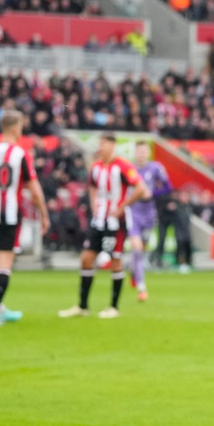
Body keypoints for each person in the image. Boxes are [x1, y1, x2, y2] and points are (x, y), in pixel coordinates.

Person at [58, 134, 150, 319]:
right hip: (98, 220)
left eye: (104, 143)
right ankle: (82, 306)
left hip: (116, 222)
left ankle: (113, 307)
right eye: (99, 143)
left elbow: (140, 188)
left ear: (113, 145)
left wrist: (122, 206)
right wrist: (94, 204)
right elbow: (92, 186)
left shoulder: (123, 165)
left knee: (115, 261)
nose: (101, 147)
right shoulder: (97, 166)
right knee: (86, 258)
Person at [0, 111, 50, 326]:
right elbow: (34, 189)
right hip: (9, 213)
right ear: (14, 128)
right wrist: (43, 214)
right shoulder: (20, 154)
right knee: (5, 262)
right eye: (20, 127)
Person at [129, 141, 170, 300]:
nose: (141, 154)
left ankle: (134, 271)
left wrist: (152, 193)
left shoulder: (155, 168)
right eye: (138, 151)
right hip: (133, 211)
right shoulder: (129, 169)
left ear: (148, 153)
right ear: (135, 153)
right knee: (137, 249)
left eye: (143, 151)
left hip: (149, 214)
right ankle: (142, 288)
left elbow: (168, 187)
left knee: (142, 249)